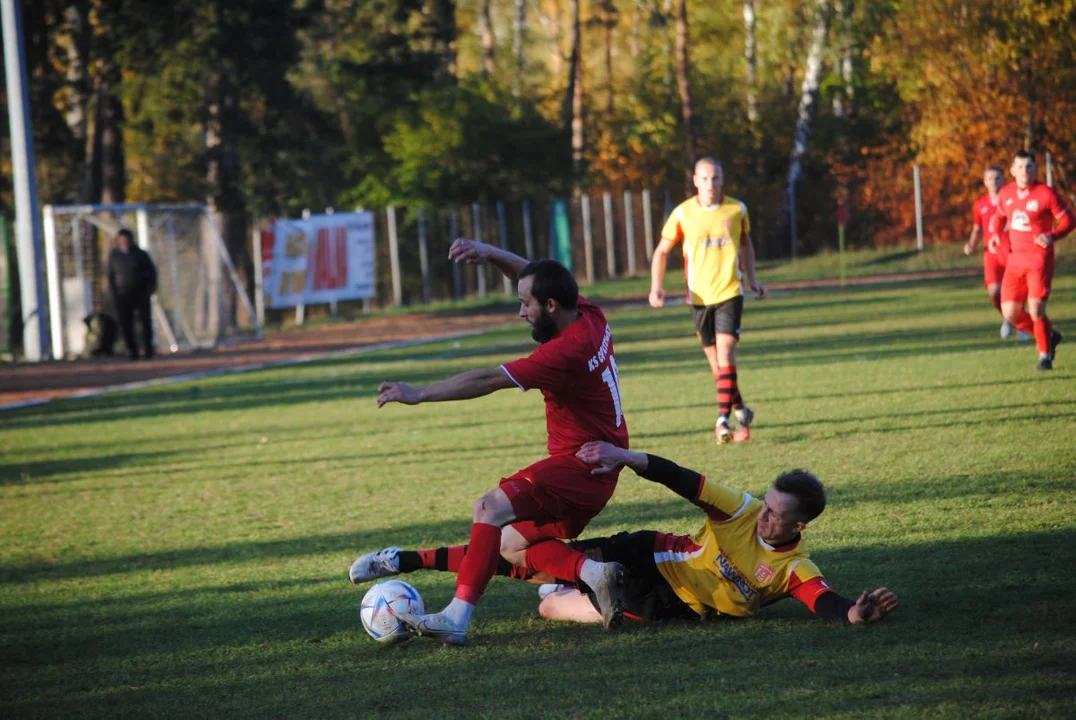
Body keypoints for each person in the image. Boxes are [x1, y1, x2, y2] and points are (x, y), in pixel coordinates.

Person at [351, 239, 630, 645]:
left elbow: (486, 380)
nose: (521, 312)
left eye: (526, 305)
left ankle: (456, 617)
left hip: (583, 466)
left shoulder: (564, 353)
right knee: (508, 546)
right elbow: (535, 277)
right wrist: (492, 253)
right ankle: (593, 574)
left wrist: (420, 393)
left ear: (550, 306)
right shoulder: (587, 314)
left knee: (489, 507)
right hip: (599, 466)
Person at [364, 441, 899, 627]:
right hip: (650, 551)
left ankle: (570, 584)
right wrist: (625, 457)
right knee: (515, 550)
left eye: (776, 516)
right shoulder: (741, 508)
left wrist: (855, 612)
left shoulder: (792, 568)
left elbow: (824, 601)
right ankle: (406, 560)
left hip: (668, 603)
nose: (764, 517)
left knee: (547, 606)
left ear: (798, 527)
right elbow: (681, 477)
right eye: (767, 506)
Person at [649, 157, 767, 444]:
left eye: (715, 178)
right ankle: (741, 410)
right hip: (699, 297)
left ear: (722, 179)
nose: (710, 184)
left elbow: (746, 244)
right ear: (695, 181)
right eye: (705, 178)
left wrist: (752, 278)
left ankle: (722, 422)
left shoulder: (737, 209)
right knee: (718, 370)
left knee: (726, 356)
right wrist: (657, 287)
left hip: (730, 292)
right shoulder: (682, 213)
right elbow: (662, 251)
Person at [989, 150, 1073, 370]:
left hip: (1039, 261)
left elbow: (1068, 220)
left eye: (1029, 166)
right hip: (1015, 262)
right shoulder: (1006, 193)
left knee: (1036, 311)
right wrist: (997, 237)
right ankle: (1049, 335)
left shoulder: (1046, 193)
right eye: (1020, 166)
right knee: (1009, 313)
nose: (1024, 171)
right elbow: (998, 219)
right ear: (1012, 170)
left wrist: (1051, 236)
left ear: (1036, 169)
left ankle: (1045, 355)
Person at [963, 164, 1032, 341]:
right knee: (995, 293)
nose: (994, 181)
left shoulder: (1012, 199)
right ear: (985, 182)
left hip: (1013, 252)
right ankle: (1010, 319)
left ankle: (1020, 324)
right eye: (990, 178)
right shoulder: (980, 204)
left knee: (1016, 292)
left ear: (1004, 179)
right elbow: (977, 228)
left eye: (998, 178)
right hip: (992, 255)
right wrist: (971, 244)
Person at [107, 229, 158, 360]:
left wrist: (150, 289)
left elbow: (152, 273)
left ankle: (148, 350)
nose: (124, 242)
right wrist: (114, 293)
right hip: (122, 296)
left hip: (141, 294)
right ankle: (132, 351)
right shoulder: (114, 256)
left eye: (126, 239)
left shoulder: (140, 254)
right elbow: (110, 276)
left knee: (145, 323)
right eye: (121, 239)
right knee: (126, 324)